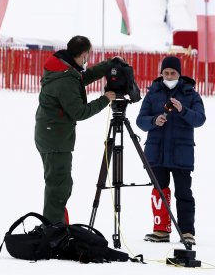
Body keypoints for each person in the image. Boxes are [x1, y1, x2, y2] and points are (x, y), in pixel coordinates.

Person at [34, 35, 116, 224]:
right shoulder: (65, 79)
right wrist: (105, 99)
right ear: (84, 53)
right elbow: (79, 111)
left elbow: (80, 79)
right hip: (55, 139)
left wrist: (106, 66)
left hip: (50, 135)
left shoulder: (63, 68)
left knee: (59, 184)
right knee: (59, 187)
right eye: (89, 54)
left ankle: (57, 226)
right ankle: (54, 232)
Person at [136, 55, 206, 245]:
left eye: (172, 73)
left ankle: (187, 232)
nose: (168, 76)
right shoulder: (152, 93)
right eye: (165, 73)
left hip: (181, 154)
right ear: (161, 73)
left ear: (179, 74)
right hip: (156, 152)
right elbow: (140, 121)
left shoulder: (191, 94)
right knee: (159, 191)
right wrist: (153, 121)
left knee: (183, 193)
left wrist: (183, 110)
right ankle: (161, 231)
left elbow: (200, 119)